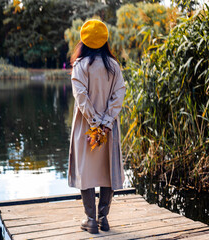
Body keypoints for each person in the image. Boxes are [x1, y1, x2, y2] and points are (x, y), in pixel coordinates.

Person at [68, 19, 126, 234]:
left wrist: (94, 125)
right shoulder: (114, 66)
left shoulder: (80, 66)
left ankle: (90, 219)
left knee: (87, 171)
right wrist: (106, 124)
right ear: (104, 40)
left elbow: (81, 98)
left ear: (83, 41)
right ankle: (104, 218)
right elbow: (119, 95)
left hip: (86, 128)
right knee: (107, 170)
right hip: (109, 129)